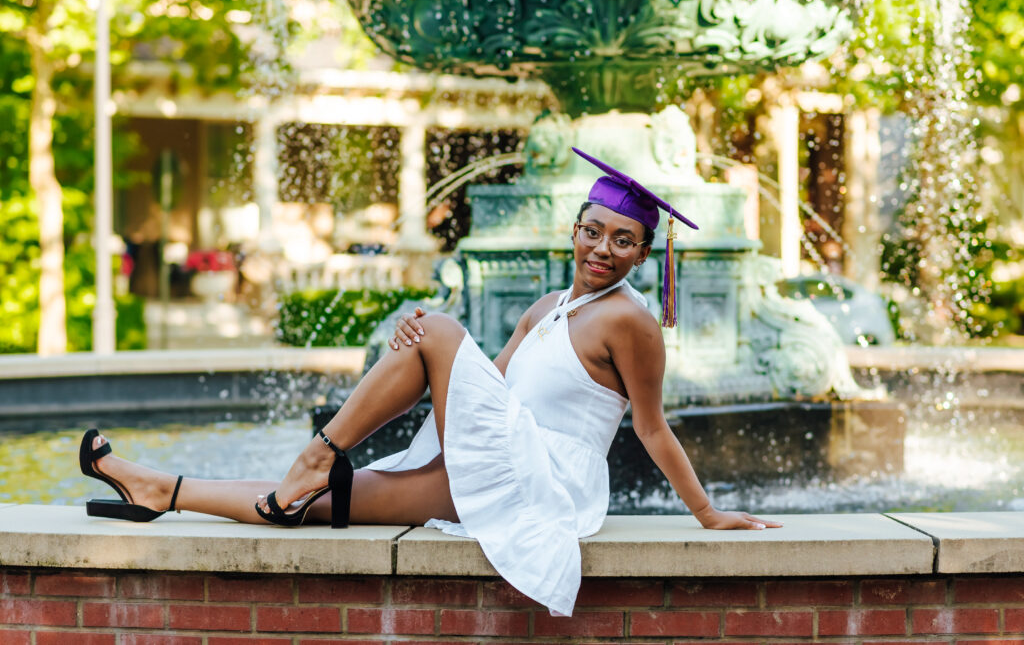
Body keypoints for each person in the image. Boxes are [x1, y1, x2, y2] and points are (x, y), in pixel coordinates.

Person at [78, 147, 780, 617]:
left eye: (623, 241)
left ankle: (319, 450)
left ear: (643, 252)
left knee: (438, 330)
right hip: (497, 458)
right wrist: (414, 350)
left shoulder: (631, 323)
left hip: (545, 478)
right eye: (594, 231)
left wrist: (708, 514)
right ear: (575, 228)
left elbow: (652, 427)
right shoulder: (548, 308)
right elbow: (490, 392)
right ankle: (158, 491)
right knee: (314, 503)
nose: (604, 250)